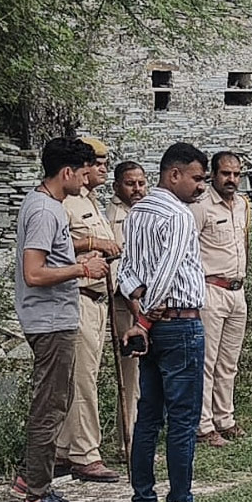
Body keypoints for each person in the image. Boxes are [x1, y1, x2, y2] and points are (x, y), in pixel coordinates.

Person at [13, 137, 109, 502]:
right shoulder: (45, 211)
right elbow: (34, 272)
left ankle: (28, 478)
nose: (86, 183)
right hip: (50, 321)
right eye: (83, 175)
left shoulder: (46, 206)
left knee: (55, 400)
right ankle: (37, 494)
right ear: (66, 172)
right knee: (49, 405)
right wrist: (83, 269)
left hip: (55, 316)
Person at [118, 142, 210, 502]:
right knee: (183, 419)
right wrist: (148, 315)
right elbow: (167, 271)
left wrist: (137, 302)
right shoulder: (178, 216)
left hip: (152, 325)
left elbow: (126, 271)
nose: (201, 186)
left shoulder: (137, 212)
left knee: (148, 417)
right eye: (197, 178)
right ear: (174, 174)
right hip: (178, 323)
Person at [55, 137, 123, 483]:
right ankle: (85, 453)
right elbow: (55, 244)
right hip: (77, 294)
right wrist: (94, 243)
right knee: (81, 380)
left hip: (98, 298)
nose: (100, 169)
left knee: (86, 376)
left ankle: (65, 449)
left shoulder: (93, 203)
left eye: (104, 163)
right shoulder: (63, 203)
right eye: (95, 163)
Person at [190, 151, 252, 448]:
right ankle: (202, 426)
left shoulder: (241, 205)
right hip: (210, 289)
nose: (232, 180)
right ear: (213, 175)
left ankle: (224, 418)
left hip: (236, 290)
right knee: (207, 360)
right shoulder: (201, 206)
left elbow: (244, 242)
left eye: (236, 174)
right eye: (226, 174)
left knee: (229, 362)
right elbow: (188, 248)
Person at [108, 160, 148, 445]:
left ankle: (143, 434)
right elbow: (121, 271)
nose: (137, 189)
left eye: (141, 183)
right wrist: (139, 313)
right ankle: (129, 440)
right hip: (128, 306)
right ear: (117, 186)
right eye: (130, 183)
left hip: (146, 303)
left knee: (145, 375)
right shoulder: (116, 218)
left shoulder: (142, 213)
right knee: (130, 375)